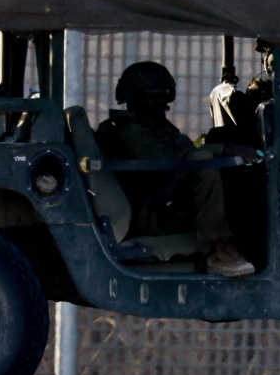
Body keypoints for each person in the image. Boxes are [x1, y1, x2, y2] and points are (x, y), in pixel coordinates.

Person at [96, 61, 258, 278]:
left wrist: (221, 145)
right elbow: (168, 162)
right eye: (154, 96)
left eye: (166, 95)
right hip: (150, 213)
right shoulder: (127, 130)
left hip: (166, 202)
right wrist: (223, 148)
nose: (162, 101)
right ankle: (217, 251)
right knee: (203, 163)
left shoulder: (156, 126)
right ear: (133, 98)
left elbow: (182, 154)